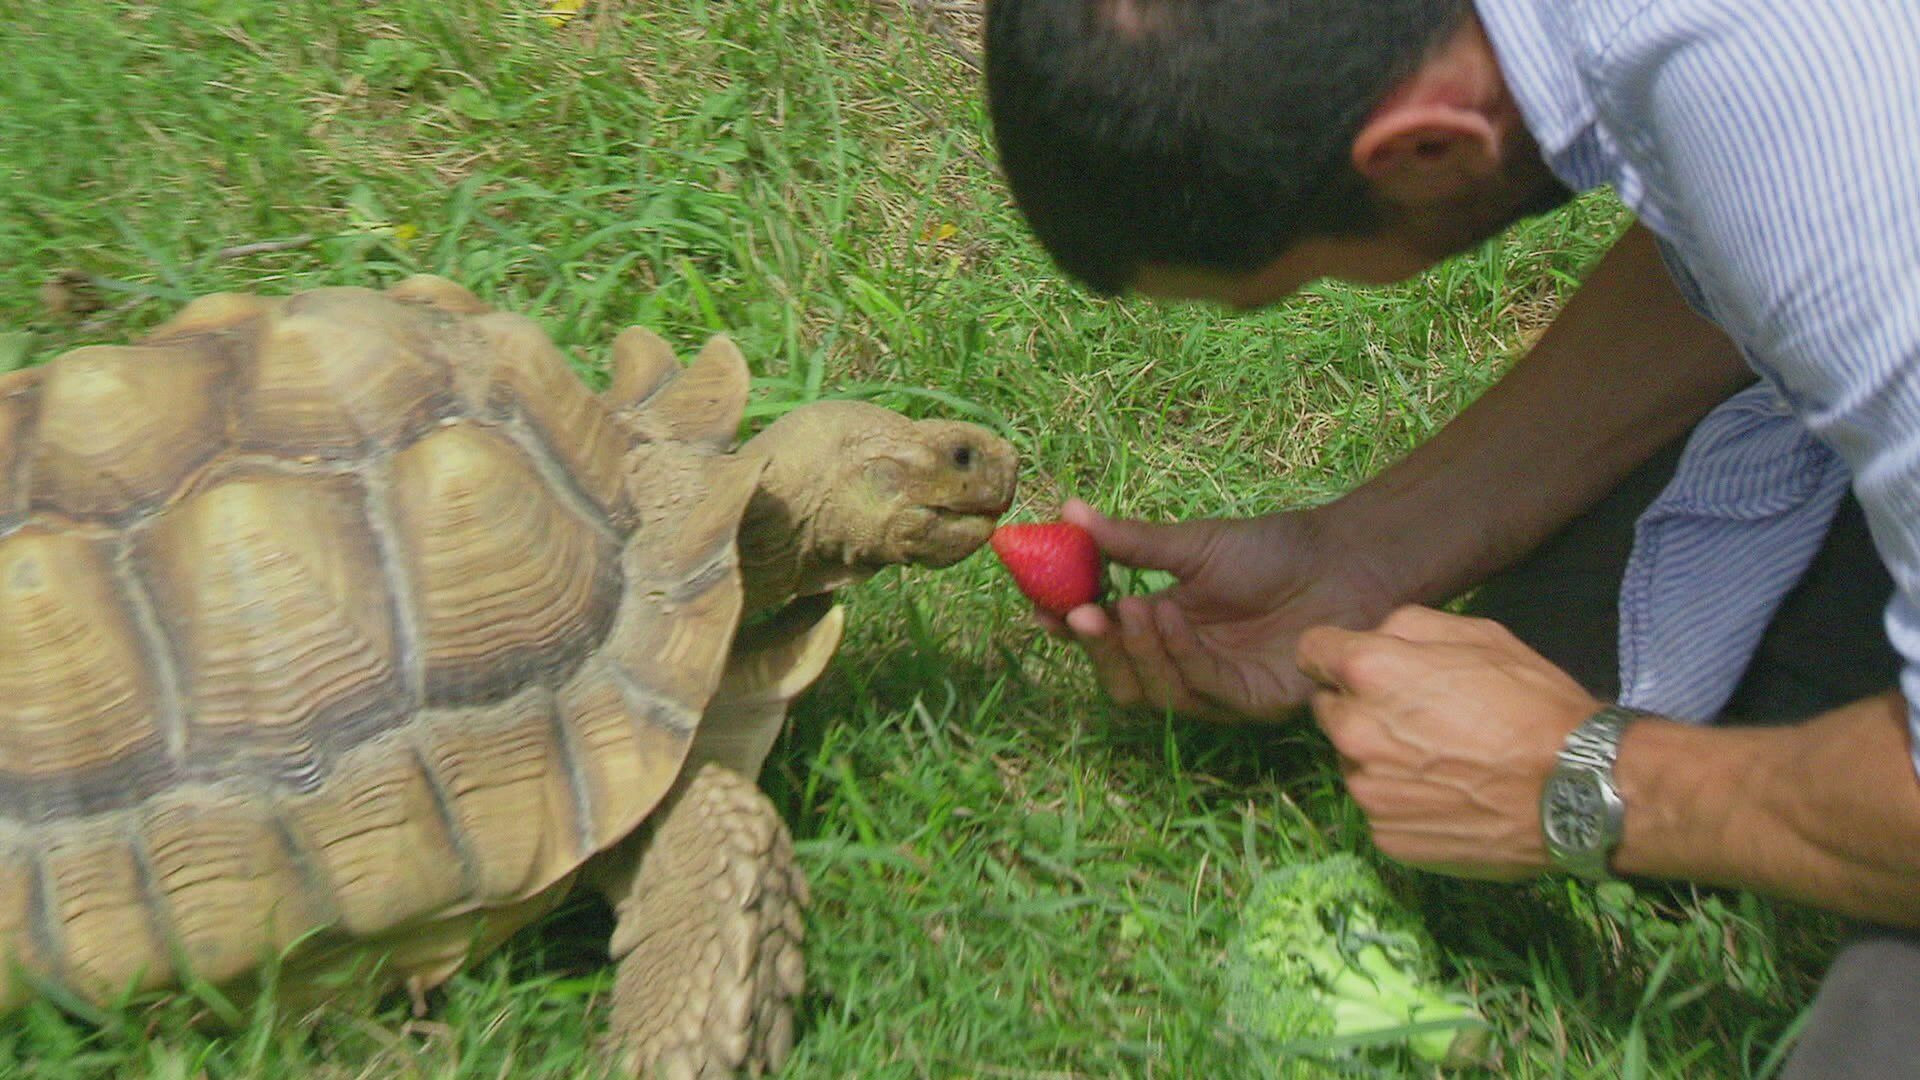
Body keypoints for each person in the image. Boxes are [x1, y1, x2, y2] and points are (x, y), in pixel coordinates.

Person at [981, 0, 1920, 1073]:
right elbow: (1745, 215)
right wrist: (1367, 554)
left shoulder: (1847, 154)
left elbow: (1826, 209)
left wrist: (1585, 786)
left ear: (1426, 147)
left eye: (1311, 279)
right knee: (1572, 644)